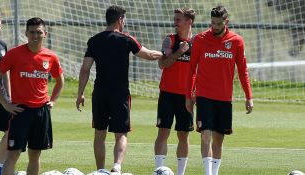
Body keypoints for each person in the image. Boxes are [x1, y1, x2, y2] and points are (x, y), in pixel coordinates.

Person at [75, 5, 163, 174]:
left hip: (100, 93)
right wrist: (167, 53)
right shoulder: (126, 39)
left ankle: (100, 170)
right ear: (120, 20)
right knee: (121, 133)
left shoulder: (94, 40)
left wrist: (80, 94)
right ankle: (117, 167)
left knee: (99, 133)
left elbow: (85, 68)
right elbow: (149, 55)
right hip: (120, 93)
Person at [185, 5, 254, 175]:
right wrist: (189, 95)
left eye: (218, 23)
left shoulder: (237, 41)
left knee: (218, 139)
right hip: (204, 96)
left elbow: (243, 71)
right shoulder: (201, 39)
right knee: (205, 135)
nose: (215, 27)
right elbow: (192, 69)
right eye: (213, 23)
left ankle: (214, 173)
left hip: (224, 98)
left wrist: (249, 96)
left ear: (226, 22)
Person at [0, 17, 64, 175]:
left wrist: (53, 101)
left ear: (45, 34)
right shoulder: (14, 54)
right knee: (13, 155)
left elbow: (60, 82)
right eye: (32, 32)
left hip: (41, 112)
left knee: (35, 154)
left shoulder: (51, 57)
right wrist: (5, 103)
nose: (35, 35)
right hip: (20, 111)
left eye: (39, 32)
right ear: (26, 33)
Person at [154, 7, 195, 175]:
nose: (175, 22)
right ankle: (158, 170)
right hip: (167, 94)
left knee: (183, 135)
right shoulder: (169, 40)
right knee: (163, 131)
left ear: (189, 22)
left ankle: (180, 173)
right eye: (175, 19)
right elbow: (162, 64)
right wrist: (179, 52)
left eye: (178, 19)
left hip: (187, 96)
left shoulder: (198, 42)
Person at [0, 15, 11, 175]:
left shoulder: (2, 45)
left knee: (10, 130)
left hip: (2, 100)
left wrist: (9, 96)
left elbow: (6, 72)